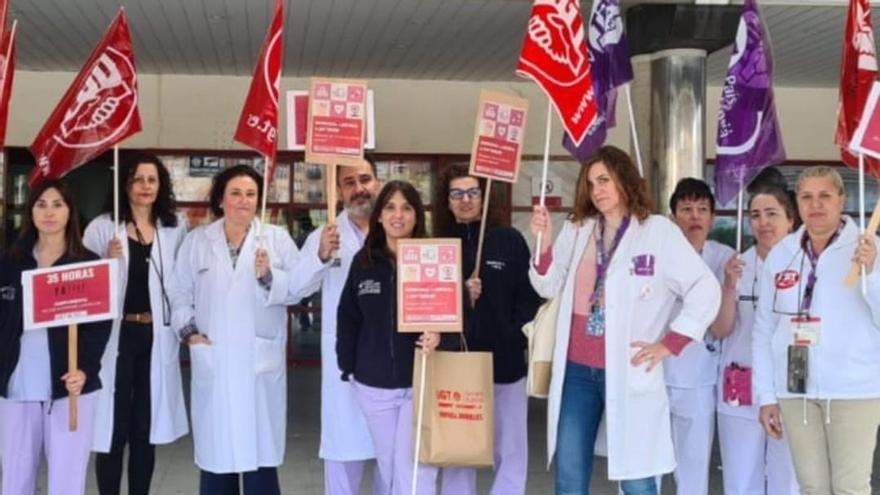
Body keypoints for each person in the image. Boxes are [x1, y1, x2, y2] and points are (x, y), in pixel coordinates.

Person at [528, 145, 721, 495]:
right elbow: (548, 283)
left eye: (604, 180)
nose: (597, 190)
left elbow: (704, 288)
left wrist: (671, 342)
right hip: (576, 370)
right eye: (590, 183)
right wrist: (541, 244)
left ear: (624, 179)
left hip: (629, 368)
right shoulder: (579, 228)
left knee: (637, 476)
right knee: (570, 474)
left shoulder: (657, 231)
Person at [168, 164, 304, 495]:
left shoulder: (276, 239)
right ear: (220, 199)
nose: (243, 201)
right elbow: (178, 291)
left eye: (251, 194)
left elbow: (300, 288)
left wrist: (269, 276)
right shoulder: (199, 241)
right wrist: (189, 333)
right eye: (235, 193)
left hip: (260, 362)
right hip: (214, 358)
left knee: (260, 460)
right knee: (217, 458)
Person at [753, 166, 880, 495]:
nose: (816, 204)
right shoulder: (782, 254)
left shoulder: (869, 249)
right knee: (812, 487)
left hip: (854, 390)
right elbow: (764, 330)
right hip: (797, 390)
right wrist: (766, 396)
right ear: (797, 203)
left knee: (849, 487)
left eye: (825, 195)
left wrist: (873, 272)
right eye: (807, 196)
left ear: (843, 200)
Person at [83, 153, 189, 495]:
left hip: (155, 335)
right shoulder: (103, 227)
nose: (145, 186)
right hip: (116, 336)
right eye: (138, 179)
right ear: (124, 184)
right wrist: (106, 262)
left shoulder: (173, 228)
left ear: (161, 186)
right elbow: (84, 288)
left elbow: (181, 284)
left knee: (146, 425)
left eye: (152, 180)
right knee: (112, 425)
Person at [0, 179, 112, 495]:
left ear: (70, 212)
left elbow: (99, 326)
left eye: (57, 204)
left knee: (67, 479)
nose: (49, 212)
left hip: (70, 383)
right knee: (15, 476)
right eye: (41, 204)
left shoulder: (88, 264)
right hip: (17, 383)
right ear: (30, 211)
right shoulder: (10, 261)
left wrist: (85, 369)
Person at [434, 165, 541, 495]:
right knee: (457, 452)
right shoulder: (437, 245)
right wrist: (461, 296)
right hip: (455, 365)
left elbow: (530, 299)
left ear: (484, 197)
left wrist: (512, 335)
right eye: (457, 194)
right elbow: (425, 303)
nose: (465, 200)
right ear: (447, 201)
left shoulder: (508, 240)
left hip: (505, 365)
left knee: (510, 451)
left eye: (472, 193)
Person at [337, 180, 443, 495]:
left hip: (421, 381)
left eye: (407, 207)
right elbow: (348, 317)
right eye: (390, 207)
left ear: (417, 216)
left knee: (417, 469)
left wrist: (440, 336)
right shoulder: (364, 262)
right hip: (374, 386)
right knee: (389, 465)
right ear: (379, 216)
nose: (398, 215)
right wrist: (349, 367)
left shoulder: (435, 259)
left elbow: (455, 318)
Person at [288, 157, 384, 495]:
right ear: (338, 191)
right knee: (344, 452)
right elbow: (295, 290)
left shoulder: (397, 228)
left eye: (365, 179)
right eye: (349, 182)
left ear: (377, 183)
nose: (359, 188)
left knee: (393, 457)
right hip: (347, 361)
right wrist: (321, 257)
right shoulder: (325, 234)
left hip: (391, 359)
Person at [712, 185, 799, 494]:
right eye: (756, 215)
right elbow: (720, 330)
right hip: (741, 381)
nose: (763, 222)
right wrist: (729, 286)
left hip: (791, 384)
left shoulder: (807, 266)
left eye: (772, 214)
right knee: (740, 476)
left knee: (788, 480)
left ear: (791, 219)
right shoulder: (738, 266)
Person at [663, 178, 735, 495]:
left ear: (713, 217)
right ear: (672, 216)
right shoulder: (654, 255)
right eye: (686, 209)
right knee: (642, 467)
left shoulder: (724, 258)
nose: (695, 217)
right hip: (654, 374)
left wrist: (730, 284)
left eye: (702, 209)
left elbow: (721, 328)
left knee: (693, 472)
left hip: (699, 376)